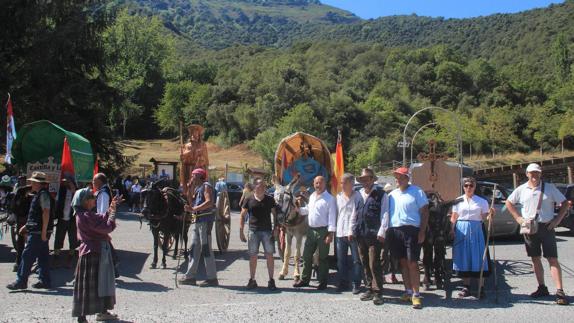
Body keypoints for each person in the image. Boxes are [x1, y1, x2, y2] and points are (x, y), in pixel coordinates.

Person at [505, 163, 570, 305]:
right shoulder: (521, 189)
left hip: (546, 227)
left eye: (537, 173)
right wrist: (518, 218)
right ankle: (542, 287)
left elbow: (565, 203)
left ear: (540, 174)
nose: (534, 175)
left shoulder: (550, 188)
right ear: (527, 174)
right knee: (535, 258)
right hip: (529, 227)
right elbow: (509, 202)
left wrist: (557, 220)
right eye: (532, 173)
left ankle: (560, 291)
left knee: (552, 259)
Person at [72, 188, 121, 323]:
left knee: (94, 285)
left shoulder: (84, 214)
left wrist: (112, 207)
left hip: (92, 252)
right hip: (94, 253)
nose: (94, 200)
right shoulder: (86, 216)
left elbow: (100, 217)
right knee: (96, 285)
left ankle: (96, 313)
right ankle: (85, 316)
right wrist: (113, 214)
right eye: (92, 198)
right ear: (85, 201)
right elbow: (107, 227)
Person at [385, 167, 429, 309]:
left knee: (413, 263)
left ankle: (416, 295)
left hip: (412, 230)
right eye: (396, 177)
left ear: (407, 178)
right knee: (403, 263)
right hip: (395, 230)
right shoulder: (391, 195)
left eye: (400, 177)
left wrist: (422, 231)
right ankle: (408, 291)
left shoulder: (417, 191)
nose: (397, 179)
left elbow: (425, 212)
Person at [7, 172, 54, 290]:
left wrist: (43, 232)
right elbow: (37, 215)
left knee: (27, 256)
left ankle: (21, 281)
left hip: (38, 232)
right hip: (38, 231)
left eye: (33, 182)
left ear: (38, 183)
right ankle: (45, 281)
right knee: (43, 257)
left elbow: (46, 212)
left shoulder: (42, 195)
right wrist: (27, 226)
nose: (31, 183)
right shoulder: (40, 194)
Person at [450, 177, 495, 298]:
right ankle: (466, 286)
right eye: (466, 185)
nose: (468, 188)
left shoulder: (482, 201)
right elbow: (454, 216)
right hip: (461, 229)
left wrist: (490, 214)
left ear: (475, 187)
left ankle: (481, 287)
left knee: (479, 256)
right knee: (464, 256)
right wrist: (451, 229)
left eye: (471, 185)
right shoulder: (458, 201)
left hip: (476, 230)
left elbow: (485, 216)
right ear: (463, 187)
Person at [294, 176, 337, 290]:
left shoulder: (330, 199)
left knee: (323, 258)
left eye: (320, 183)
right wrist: (298, 209)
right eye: (316, 183)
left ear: (325, 184)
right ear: (313, 184)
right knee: (307, 256)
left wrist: (330, 234)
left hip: (323, 231)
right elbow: (308, 210)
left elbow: (332, 217)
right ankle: (305, 280)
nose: (318, 185)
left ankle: (323, 282)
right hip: (311, 230)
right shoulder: (312, 196)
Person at [352, 168, 388, 305]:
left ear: (373, 179)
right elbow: (354, 213)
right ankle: (369, 289)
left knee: (374, 264)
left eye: (367, 179)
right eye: (363, 180)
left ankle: (378, 292)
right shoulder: (358, 194)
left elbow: (385, 213)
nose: (365, 182)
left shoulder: (381, 194)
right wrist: (352, 229)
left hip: (374, 235)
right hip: (361, 233)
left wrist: (382, 231)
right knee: (364, 263)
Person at [179, 168, 219, 287]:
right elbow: (191, 202)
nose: (191, 177)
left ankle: (212, 278)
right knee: (194, 249)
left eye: (193, 175)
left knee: (206, 249)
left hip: (205, 221)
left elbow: (209, 202)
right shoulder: (197, 188)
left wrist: (194, 209)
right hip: (197, 221)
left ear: (199, 176)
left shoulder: (206, 186)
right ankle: (190, 276)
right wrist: (190, 189)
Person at [239, 178, 278, 291]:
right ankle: (252, 279)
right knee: (253, 256)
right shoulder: (248, 199)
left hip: (267, 231)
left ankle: (271, 280)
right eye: (259, 185)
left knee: (269, 255)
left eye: (263, 186)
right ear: (254, 187)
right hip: (253, 231)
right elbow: (242, 215)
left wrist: (276, 228)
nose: (261, 187)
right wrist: (241, 231)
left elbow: (275, 214)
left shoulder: (270, 200)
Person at [336, 173, 364, 294]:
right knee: (341, 260)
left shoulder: (358, 197)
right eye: (341, 183)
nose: (341, 185)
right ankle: (343, 282)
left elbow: (357, 214)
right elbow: (336, 214)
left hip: (353, 233)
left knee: (356, 260)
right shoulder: (338, 197)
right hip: (340, 233)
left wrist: (351, 230)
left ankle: (356, 284)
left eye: (344, 183)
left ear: (351, 184)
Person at [53, 176, 79, 268]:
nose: (66, 183)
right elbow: (56, 202)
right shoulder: (61, 191)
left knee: (72, 238)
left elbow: (78, 201)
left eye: (68, 182)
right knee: (59, 237)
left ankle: (71, 257)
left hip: (72, 218)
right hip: (62, 217)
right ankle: (56, 257)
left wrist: (73, 188)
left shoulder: (76, 193)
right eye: (65, 182)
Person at [180, 125, 209, 196]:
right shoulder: (187, 145)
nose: (194, 134)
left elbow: (206, 158)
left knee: (198, 184)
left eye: (196, 132)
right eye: (193, 132)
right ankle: (187, 194)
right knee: (188, 184)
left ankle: (198, 195)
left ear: (199, 134)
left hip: (199, 168)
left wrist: (201, 156)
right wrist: (187, 153)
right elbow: (182, 157)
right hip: (189, 168)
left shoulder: (202, 145)